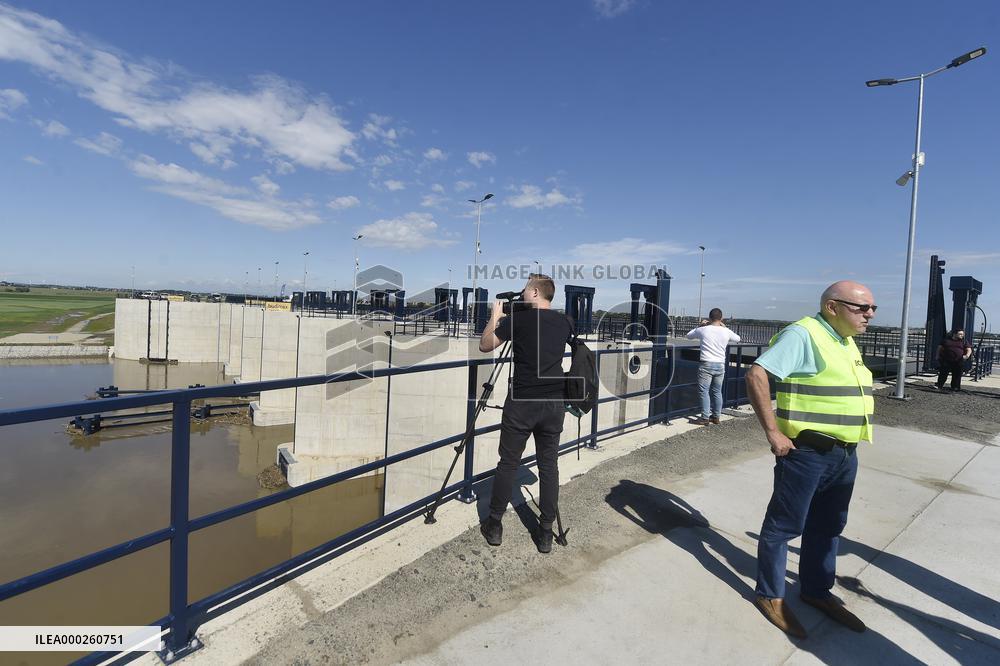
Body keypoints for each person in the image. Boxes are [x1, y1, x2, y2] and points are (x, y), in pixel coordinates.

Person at [744, 280, 875, 639]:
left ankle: (816, 591)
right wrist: (773, 432)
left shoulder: (845, 341)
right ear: (832, 307)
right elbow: (756, 374)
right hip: (807, 453)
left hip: (844, 454)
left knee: (829, 527)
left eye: (872, 308)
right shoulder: (804, 334)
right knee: (783, 527)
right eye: (861, 308)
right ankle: (770, 595)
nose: (870, 315)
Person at [478, 274, 574, 553]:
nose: (520, 294)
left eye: (523, 290)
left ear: (534, 292)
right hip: (554, 403)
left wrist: (495, 316)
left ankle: (494, 525)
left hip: (522, 402)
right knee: (548, 466)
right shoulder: (565, 322)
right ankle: (545, 533)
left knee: (508, 462)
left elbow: (485, 345)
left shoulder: (516, 321)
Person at [686, 308, 741, 425]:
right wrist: (725, 327)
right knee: (717, 391)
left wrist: (700, 326)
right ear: (721, 318)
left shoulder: (703, 329)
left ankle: (705, 417)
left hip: (706, 364)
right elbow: (738, 339)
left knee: (704, 391)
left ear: (709, 318)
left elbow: (688, 335)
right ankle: (716, 416)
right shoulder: (726, 331)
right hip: (720, 365)